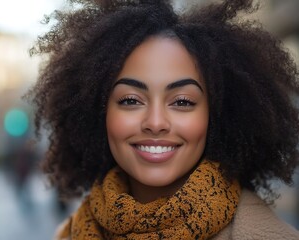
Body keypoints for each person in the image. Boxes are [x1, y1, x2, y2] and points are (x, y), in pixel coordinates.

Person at [27, 0, 299, 239]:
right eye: (131, 100)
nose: (155, 122)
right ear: (98, 114)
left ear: (216, 116)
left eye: (182, 102)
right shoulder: (67, 234)